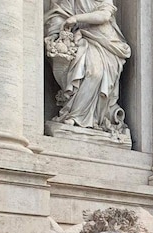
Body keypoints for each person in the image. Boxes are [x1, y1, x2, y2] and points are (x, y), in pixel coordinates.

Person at [44, 1, 131, 137]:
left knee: (96, 74)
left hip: (107, 43)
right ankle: (76, 115)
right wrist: (57, 34)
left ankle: (93, 118)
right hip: (82, 38)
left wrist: (76, 18)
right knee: (90, 72)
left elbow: (104, 16)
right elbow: (59, 14)